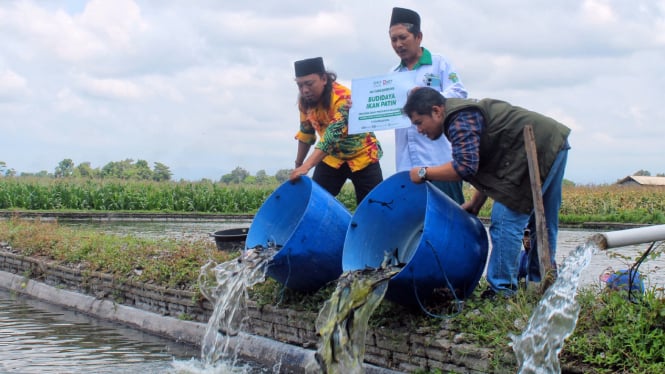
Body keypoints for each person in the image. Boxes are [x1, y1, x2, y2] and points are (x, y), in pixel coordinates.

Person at [402, 87, 571, 297]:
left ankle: (502, 290)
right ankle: (539, 284)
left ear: (436, 111)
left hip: (535, 147)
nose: (419, 130)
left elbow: (464, 167)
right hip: (553, 141)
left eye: (419, 122)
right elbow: (484, 167)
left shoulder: (458, 119)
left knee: (505, 219)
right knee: (543, 221)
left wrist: (423, 172)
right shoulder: (460, 116)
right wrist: (475, 204)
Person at [388, 7, 467, 204]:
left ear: (419, 36)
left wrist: (428, 97)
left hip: (439, 160)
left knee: (451, 215)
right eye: (393, 40)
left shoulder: (439, 64)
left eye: (402, 37)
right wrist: (359, 111)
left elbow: (459, 93)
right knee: (416, 220)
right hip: (407, 166)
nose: (398, 44)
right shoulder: (391, 76)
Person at [289, 57, 384, 205]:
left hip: (362, 156)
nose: (305, 90)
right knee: (315, 203)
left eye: (309, 84)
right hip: (331, 159)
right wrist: (298, 165)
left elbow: (331, 136)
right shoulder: (305, 102)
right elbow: (306, 134)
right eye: (300, 85)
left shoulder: (344, 97)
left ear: (324, 79)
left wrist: (307, 166)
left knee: (374, 207)